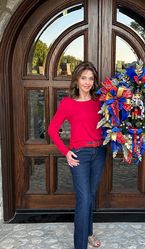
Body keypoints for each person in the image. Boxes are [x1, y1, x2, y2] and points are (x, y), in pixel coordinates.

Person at [48, 61, 106, 249]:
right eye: (84, 78)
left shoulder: (100, 102)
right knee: (84, 200)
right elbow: (52, 129)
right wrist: (66, 152)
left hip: (99, 153)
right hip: (80, 156)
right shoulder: (68, 103)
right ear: (77, 79)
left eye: (91, 78)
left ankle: (88, 233)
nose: (87, 82)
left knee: (90, 195)